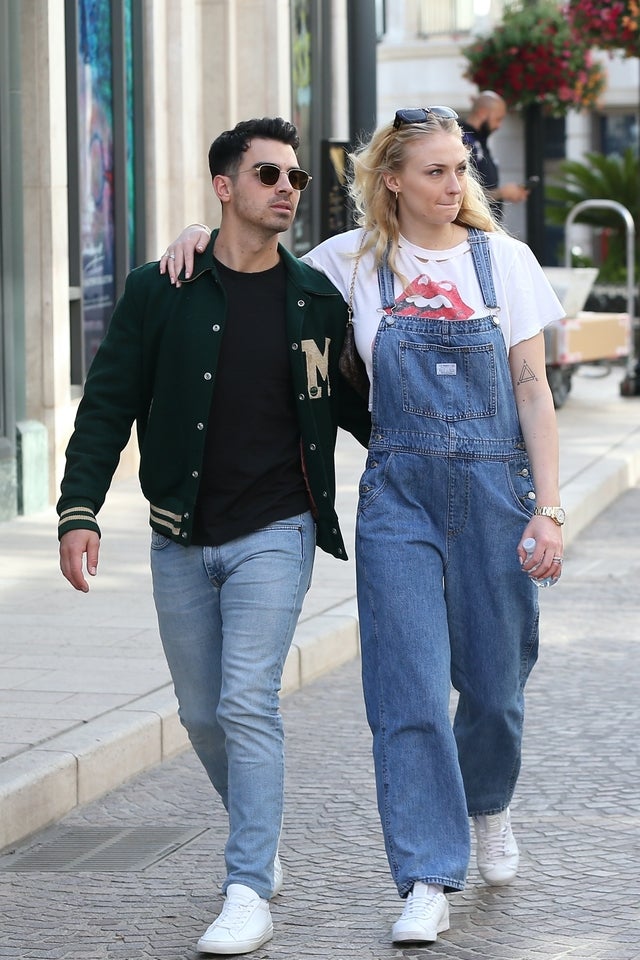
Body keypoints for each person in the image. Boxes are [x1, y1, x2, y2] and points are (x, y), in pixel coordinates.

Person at [161, 105, 565, 946]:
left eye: (461, 170)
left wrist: (550, 506)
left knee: (495, 688)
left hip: (498, 492)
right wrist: (202, 229)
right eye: (436, 171)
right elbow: (253, 266)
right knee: (407, 692)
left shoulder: (508, 261)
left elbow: (532, 390)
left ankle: (487, 804)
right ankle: (424, 875)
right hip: (399, 499)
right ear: (393, 180)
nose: (455, 185)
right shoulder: (349, 264)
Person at [58, 116, 371, 957]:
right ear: (224, 187)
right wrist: (79, 508)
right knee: (200, 713)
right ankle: (259, 837)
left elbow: (353, 408)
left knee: (244, 700)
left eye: (297, 179)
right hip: (178, 536)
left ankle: (244, 887)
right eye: (269, 174)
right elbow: (107, 404)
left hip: (279, 527)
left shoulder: (317, 299)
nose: (288, 189)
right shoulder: (159, 290)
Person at [460, 91, 530, 220]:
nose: (499, 126)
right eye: (498, 119)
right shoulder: (464, 140)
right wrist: (502, 192)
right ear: (482, 112)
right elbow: (461, 195)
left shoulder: (479, 140)